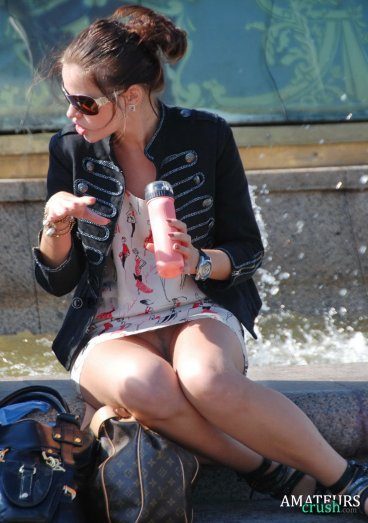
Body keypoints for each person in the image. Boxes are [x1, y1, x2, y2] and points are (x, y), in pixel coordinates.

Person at [34, 4, 368, 515]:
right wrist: (54, 226)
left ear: (130, 96)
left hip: (197, 307)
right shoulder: (70, 151)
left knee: (207, 380)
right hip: (108, 323)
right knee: (147, 385)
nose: (71, 115)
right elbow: (58, 282)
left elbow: (247, 250)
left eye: (84, 102)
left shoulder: (206, 134)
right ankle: (271, 474)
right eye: (68, 100)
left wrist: (198, 260)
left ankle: (344, 481)